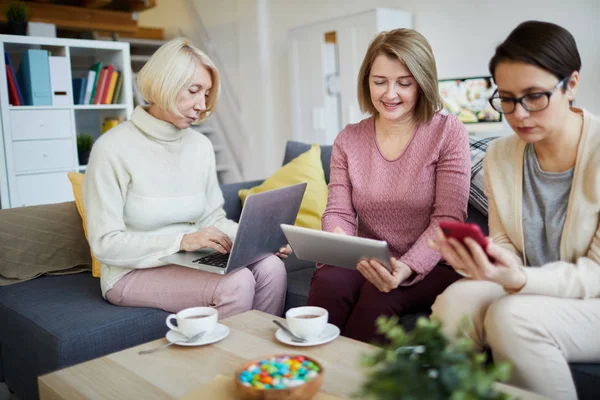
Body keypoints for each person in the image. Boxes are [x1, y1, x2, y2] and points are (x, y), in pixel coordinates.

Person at [429, 21, 600, 400]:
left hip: (594, 297)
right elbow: (505, 240)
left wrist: (517, 280)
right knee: (453, 301)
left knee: (512, 318)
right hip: (532, 283)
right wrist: (485, 260)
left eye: (534, 96)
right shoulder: (500, 155)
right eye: (506, 98)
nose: (518, 114)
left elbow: (596, 273)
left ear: (571, 84)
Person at [83, 38, 291, 319]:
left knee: (271, 267)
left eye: (206, 94)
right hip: (129, 271)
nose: (201, 105)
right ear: (164, 84)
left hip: (190, 259)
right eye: (193, 91)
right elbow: (105, 244)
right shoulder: (112, 148)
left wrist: (258, 241)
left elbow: (212, 220)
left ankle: (262, 358)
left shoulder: (200, 146)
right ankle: (229, 360)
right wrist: (181, 240)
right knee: (236, 283)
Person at [306, 28, 471, 343]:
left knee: (378, 295)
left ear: (422, 83)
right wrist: (341, 244)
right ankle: (306, 370)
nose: (389, 94)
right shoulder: (348, 139)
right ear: (366, 81)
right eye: (379, 82)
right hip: (369, 258)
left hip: (432, 263)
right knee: (329, 279)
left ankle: (351, 386)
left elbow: (448, 220)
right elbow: (338, 211)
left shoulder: (448, 133)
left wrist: (406, 267)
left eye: (404, 83)